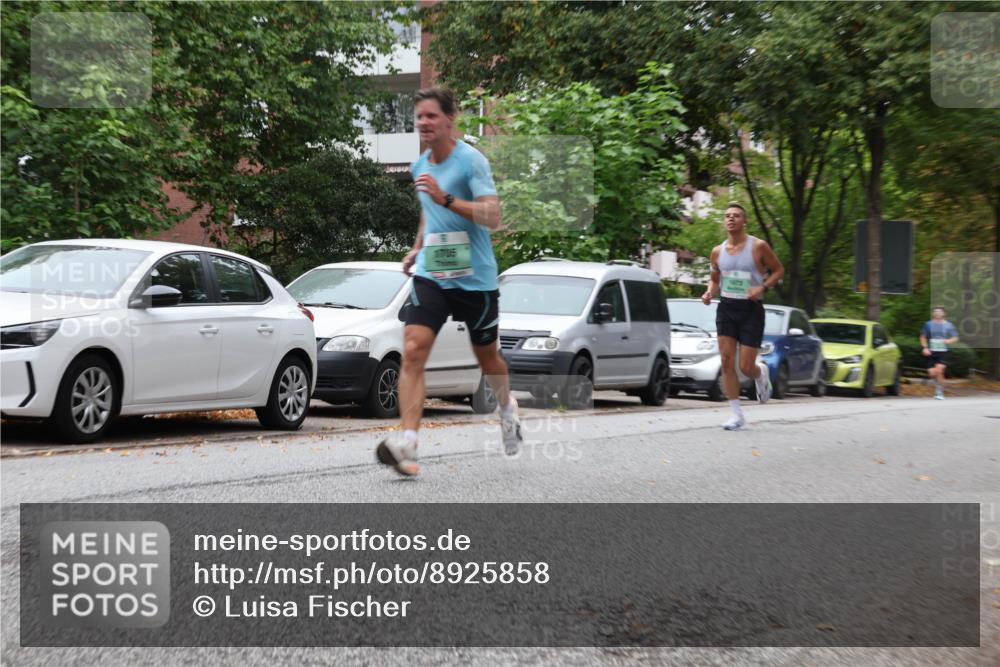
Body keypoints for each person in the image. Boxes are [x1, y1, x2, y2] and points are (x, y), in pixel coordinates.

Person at [376, 87, 523, 477]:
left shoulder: (471, 161)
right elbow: (428, 212)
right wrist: (417, 247)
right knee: (413, 349)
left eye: (431, 116)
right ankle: (407, 441)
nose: (423, 123)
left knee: (487, 358)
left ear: (449, 120)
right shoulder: (419, 164)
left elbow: (493, 216)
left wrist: (446, 200)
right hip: (433, 274)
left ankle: (508, 410)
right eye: (419, 116)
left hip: (475, 279)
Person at [702, 203, 785, 430]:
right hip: (727, 308)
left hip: (751, 310)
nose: (731, 219)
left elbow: (779, 270)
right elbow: (715, 278)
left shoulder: (758, 246)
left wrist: (763, 288)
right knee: (727, 362)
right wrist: (709, 292)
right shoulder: (717, 251)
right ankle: (736, 414)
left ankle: (760, 373)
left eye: (736, 216)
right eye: (727, 216)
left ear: (744, 221)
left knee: (746, 366)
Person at [920, 306, 959, 400]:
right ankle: (939, 384)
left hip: (944, 351)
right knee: (932, 373)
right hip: (932, 351)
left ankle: (939, 391)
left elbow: (955, 337)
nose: (937, 313)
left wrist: (949, 341)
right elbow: (923, 337)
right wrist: (925, 348)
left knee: (939, 370)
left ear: (943, 314)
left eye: (939, 311)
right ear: (933, 314)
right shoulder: (928, 324)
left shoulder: (949, 325)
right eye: (936, 312)